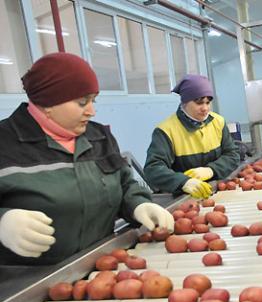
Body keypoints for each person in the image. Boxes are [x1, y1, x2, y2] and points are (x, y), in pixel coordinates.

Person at [0, 53, 174, 265]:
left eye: (93, 100)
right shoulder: (5, 143)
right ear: (48, 103)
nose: (92, 111)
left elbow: (124, 183)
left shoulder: (99, 137)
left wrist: (138, 204)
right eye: (82, 103)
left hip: (100, 268)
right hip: (25, 284)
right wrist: (3, 222)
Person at [144, 74, 240, 198]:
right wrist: (183, 182)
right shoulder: (166, 130)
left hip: (218, 191)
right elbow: (153, 169)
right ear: (185, 102)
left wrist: (211, 170)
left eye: (208, 102)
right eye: (199, 103)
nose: (205, 108)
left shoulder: (218, 122)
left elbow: (232, 155)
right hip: (185, 198)